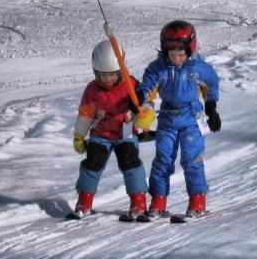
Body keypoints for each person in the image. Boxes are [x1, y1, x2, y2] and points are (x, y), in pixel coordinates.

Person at [136, 20, 220, 221]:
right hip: (167, 119)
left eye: (181, 55)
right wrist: (141, 95)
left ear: (190, 48)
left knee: (191, 159)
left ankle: (197, 201)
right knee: (162, 161)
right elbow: (147, 85)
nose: (176, 59)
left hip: (192, 118)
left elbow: (211, 85)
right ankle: (158, 201)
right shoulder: (157, 68)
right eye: (171, 55)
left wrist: (211, 107)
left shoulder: (199, 68)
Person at [69, 40, 154, 221]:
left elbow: (145, 105)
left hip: (126, 132)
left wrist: (145, 120)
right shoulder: (93, 89)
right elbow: (86, 114)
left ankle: (138, 201)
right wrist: (79, 136)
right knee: (92, 163)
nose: (108, 80)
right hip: (101, 134)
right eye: (102, 75)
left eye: (113, 75)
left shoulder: (132, 85)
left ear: (120, 70)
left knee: (130, 163)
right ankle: (84, 200)